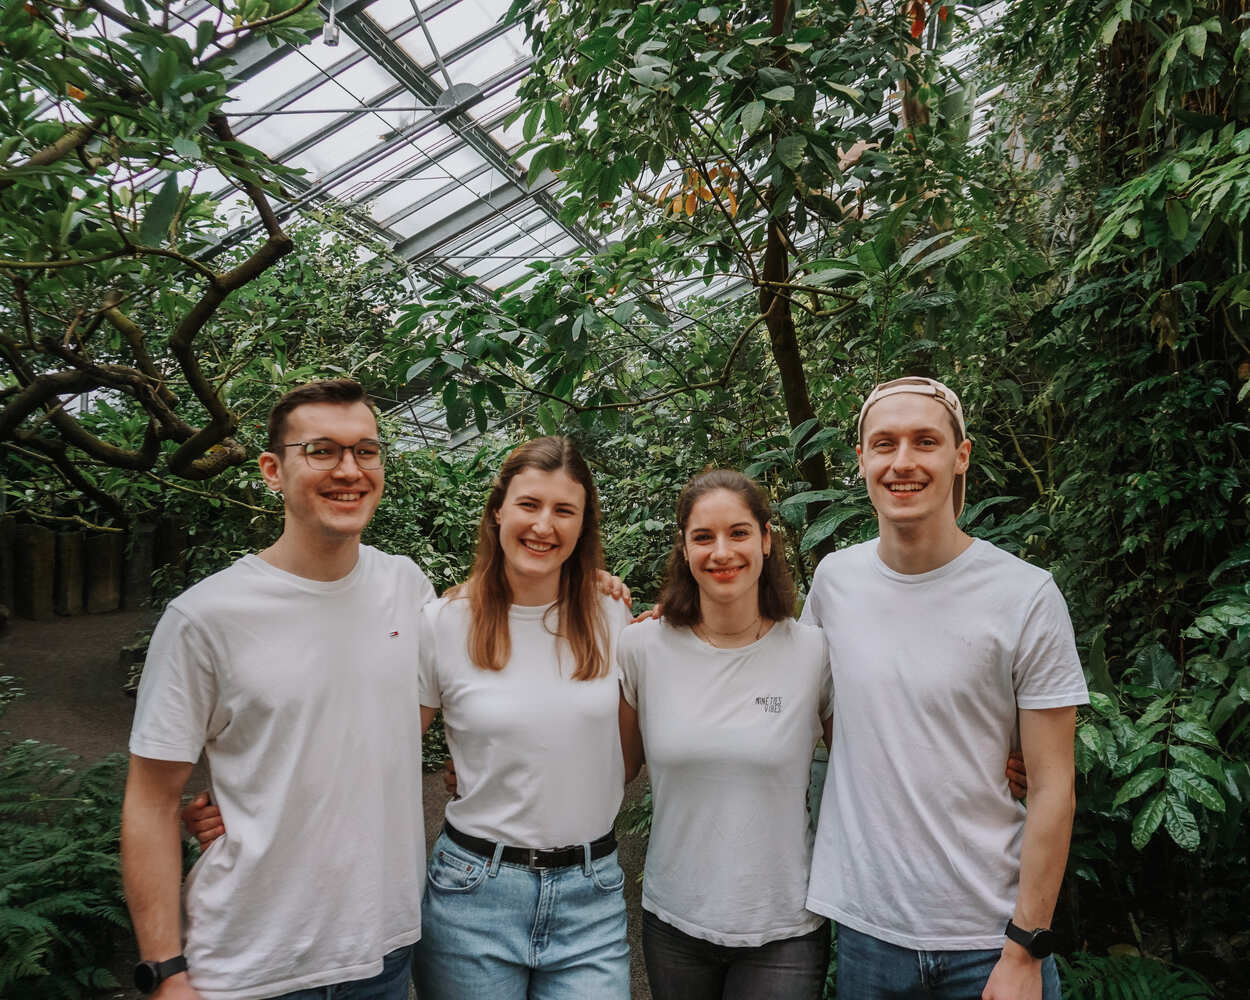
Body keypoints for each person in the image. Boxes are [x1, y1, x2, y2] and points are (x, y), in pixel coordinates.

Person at [122, 379, 435, 1000]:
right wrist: (164, 971)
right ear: (272, 469)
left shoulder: (406, 586)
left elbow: (409, 714)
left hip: (381, 949)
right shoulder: (205, 617)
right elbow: (151, 802)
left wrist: (598, 591)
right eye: (322, 451)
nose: (350, 470)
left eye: (366, 451)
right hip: (250, 964)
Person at [801, 376, 1088, 1000]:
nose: (902, 462)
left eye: (924, 442)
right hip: (868, 933)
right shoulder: (833, 582)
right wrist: (670, 623)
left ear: (961, 456)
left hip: (991, 939)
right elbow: (816, 709)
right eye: (884, 444)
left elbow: (1053, 787)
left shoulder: (1026, 595)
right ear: (861, 461)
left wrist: (1025, 946)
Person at [411, 435, 633, 1000]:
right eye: (529, 505)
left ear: (583, 526)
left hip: (591, 895)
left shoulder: (614, 617)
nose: (544, 525)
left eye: (564, 510)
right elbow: (383, 750)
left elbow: (629, 751)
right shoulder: (441, 622)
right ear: (497, 512)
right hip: (474, 892)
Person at [618, 469, 834, 1000]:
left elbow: (870, 758)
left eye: (738, 533)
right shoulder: (642, 647)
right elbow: (611, 770)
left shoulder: (813, 652)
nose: (722, 552)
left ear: (765, 539)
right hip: (675, 920)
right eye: (703, 537)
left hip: (784, 925)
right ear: (684, 548)